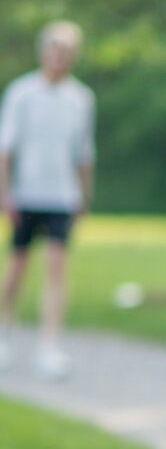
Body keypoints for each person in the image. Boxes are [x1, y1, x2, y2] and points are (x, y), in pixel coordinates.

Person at [0, 20, 95, 378]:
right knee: (15, 269)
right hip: (25, 195)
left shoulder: (81, 99)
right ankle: (4, 331)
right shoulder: (21, 93)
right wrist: (5, 193)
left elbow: (84, 154)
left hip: (62, 196)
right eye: (55, 49)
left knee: (56, 269)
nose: (60, 57)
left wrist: (85, 197)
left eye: (67, 51)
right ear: (44, 52)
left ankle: (49, 344)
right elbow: (5, 149)